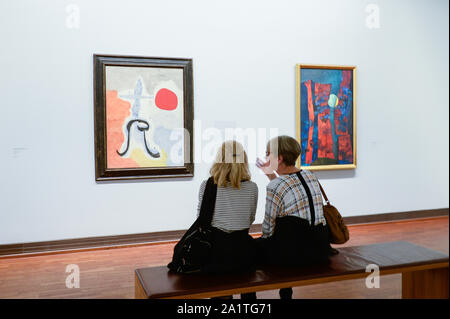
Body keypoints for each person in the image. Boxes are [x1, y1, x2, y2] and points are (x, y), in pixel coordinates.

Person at [255, 135, 332, 299]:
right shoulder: (310, 175)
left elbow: (268, 229)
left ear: (280, 158)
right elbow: (287, 186)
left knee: (248, 250)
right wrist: (271, 176)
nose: (266, 157)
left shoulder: (276, 186)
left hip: (294, 254)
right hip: (320, 247)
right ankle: (285, 293)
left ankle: (249, 301)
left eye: (268, 153)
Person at [197, 140, 258, 299]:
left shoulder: (208, 185)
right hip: (243, 253)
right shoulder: (252, 187)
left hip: (215, 254)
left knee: (220, 293)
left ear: (220, 159)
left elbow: (201, 220)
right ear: (243, 160)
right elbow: (250, 219)